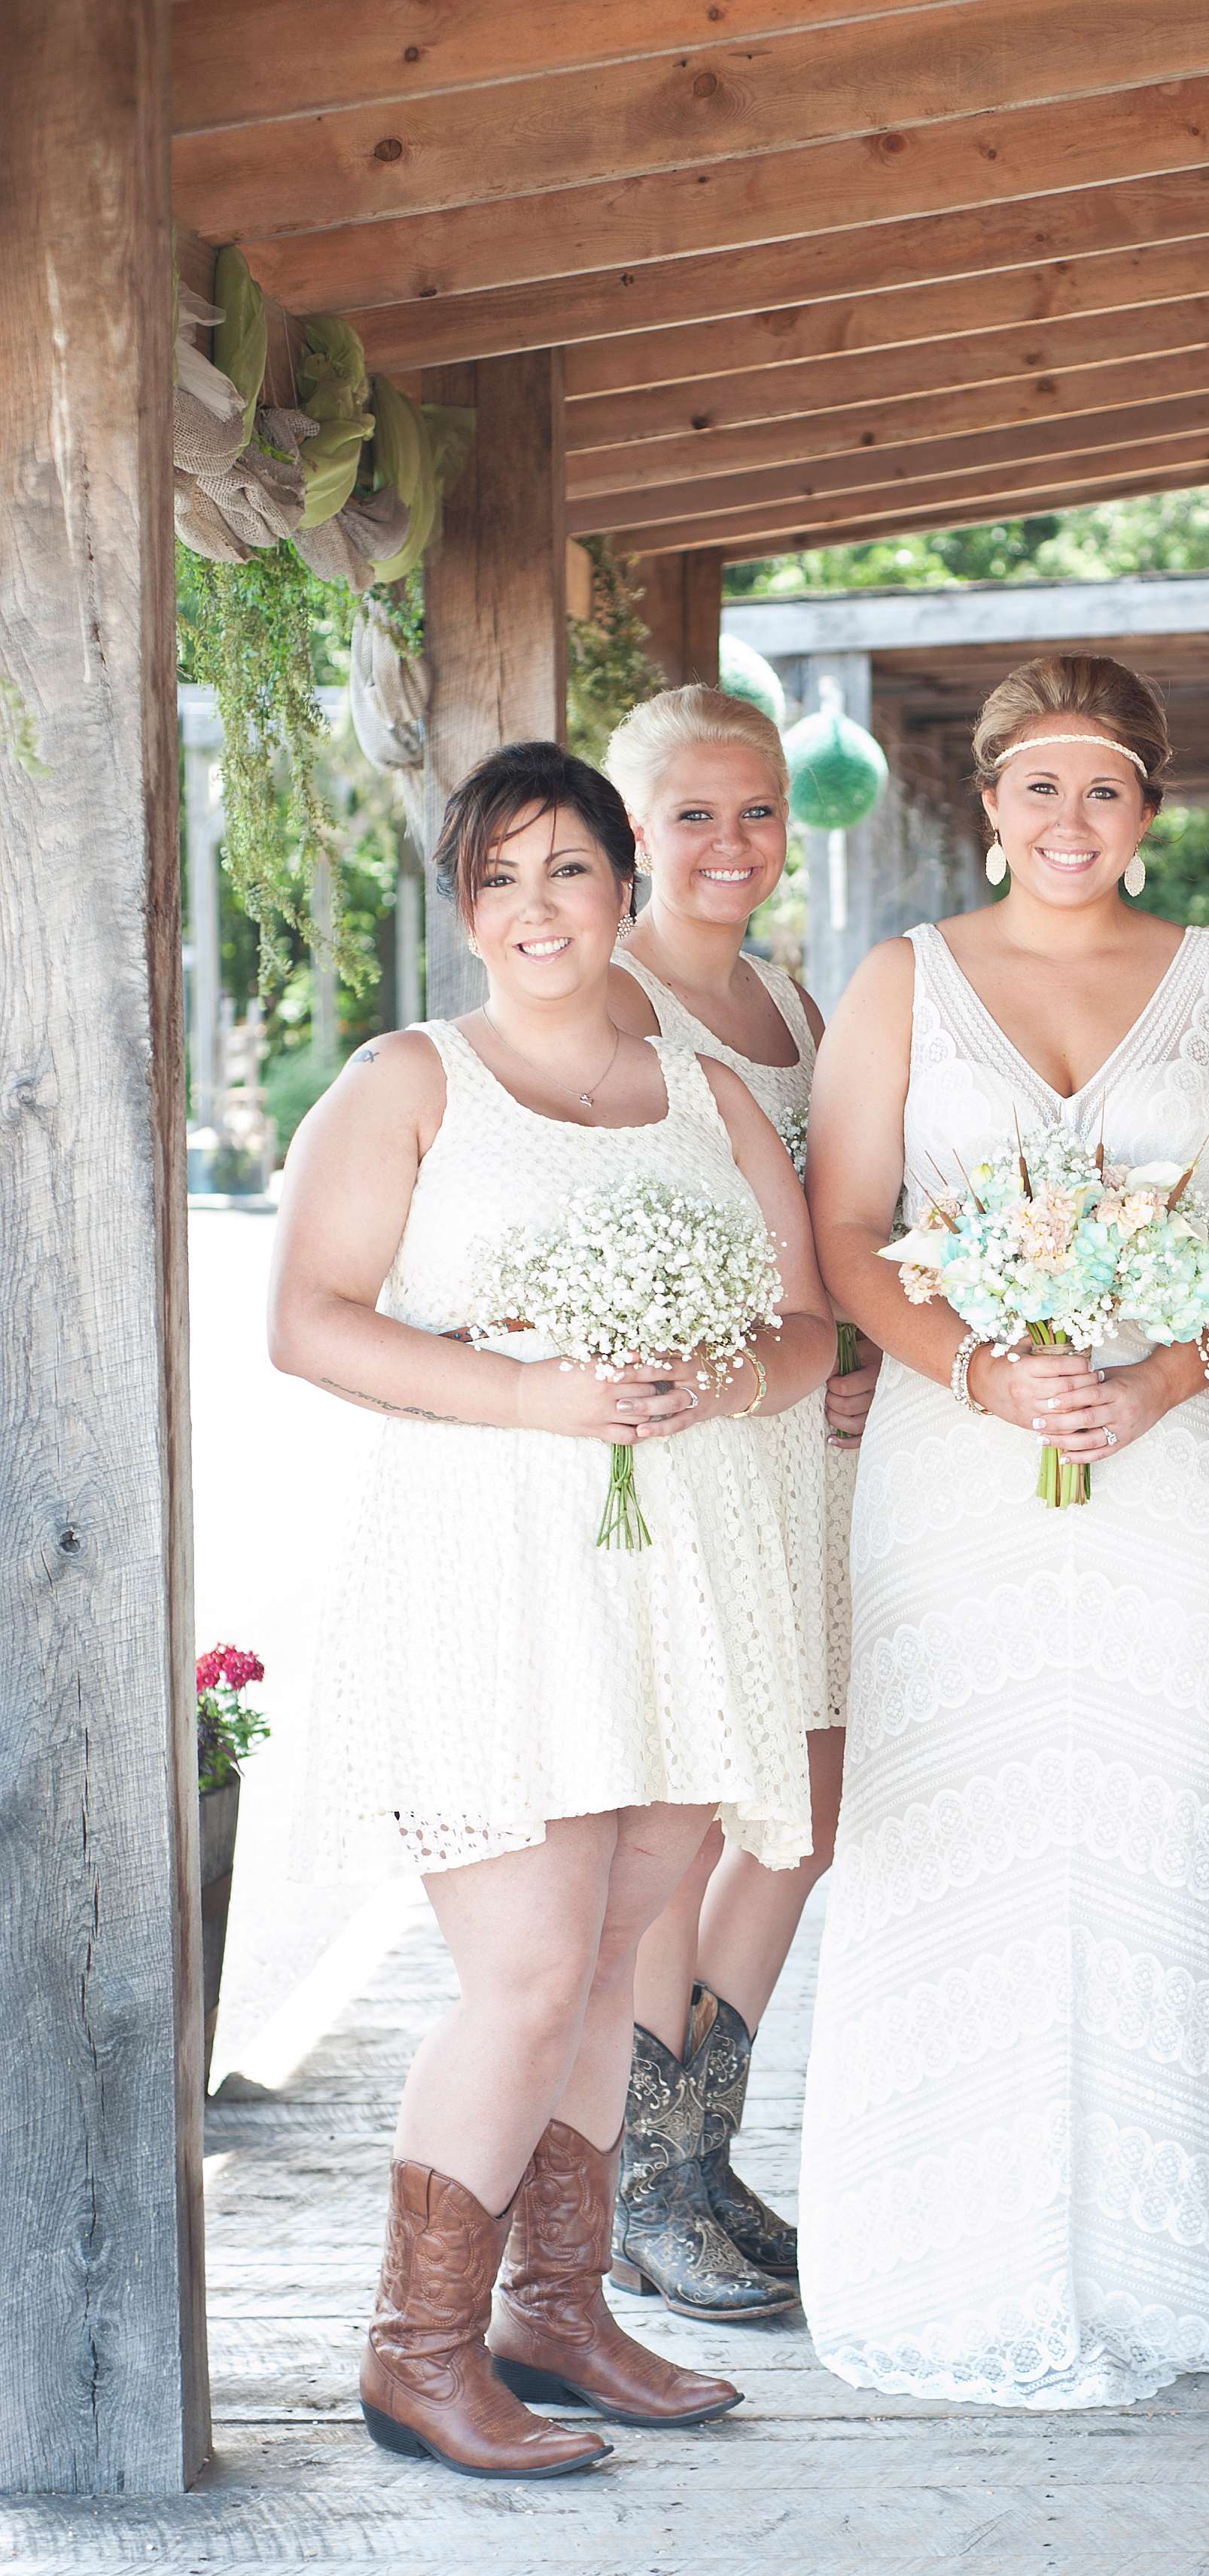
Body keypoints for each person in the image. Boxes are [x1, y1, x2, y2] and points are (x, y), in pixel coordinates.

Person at [273, 739, 834, 2476]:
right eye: (500, 877)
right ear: (466, 905)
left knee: (616, 1956)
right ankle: (416, 2347)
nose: (538, 907)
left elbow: (810, 1330)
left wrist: (716, 1377)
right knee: (525, 1972)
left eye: (569, 870)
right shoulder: (411, 1078)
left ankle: (561, 2312)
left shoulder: (705, 1091)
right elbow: (309, 1320)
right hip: (493, 1568)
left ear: (621, 887)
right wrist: (540, 1397)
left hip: (684, 1566)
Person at [797, 651, 1209, 2407]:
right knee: (957, 1820)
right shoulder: (901, 981)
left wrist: (1169, 1379)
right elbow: (850, 1234)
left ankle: (1188, 2252)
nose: (1071, 818)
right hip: (960, 1468)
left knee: (1168, 1809)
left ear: (1148, 805)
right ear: (988, 797)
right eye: (1040, 784)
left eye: (1104, 786)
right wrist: (977, 1366)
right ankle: (941, 2241)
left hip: (1170, 1462)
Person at [598, 686, 876, 2323]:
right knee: (690, 1805)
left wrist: (858, 1352)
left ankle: (702, 2147)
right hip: (691, 1456)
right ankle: (652, 2184)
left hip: (812, 1456)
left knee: (809, 1799)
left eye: (756, 811)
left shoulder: (790, 998)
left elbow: (844, 1230)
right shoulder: (615, 1006)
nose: (729, 843)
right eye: (691, 814)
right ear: (634, 831)